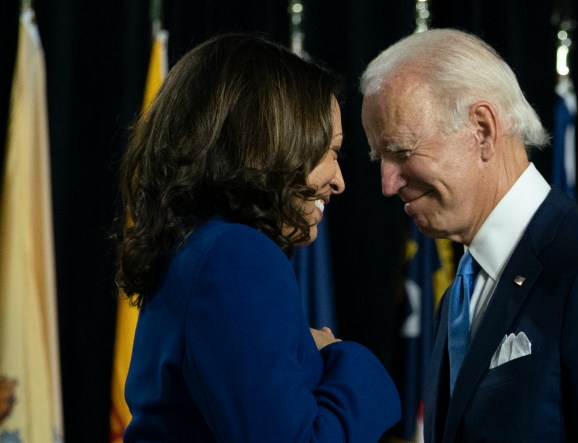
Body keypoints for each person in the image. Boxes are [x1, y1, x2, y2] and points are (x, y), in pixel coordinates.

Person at [360, 28, 578, 442]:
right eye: (380, 158)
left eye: (402, 152)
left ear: (482, 129)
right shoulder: (457, 297)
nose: (387, 184)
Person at [113, 33, 400, 442]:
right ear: (270, 142)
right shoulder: (235, 257)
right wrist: (343, 358)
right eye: (330, 151)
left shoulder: (197, 247)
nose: (339, 181)